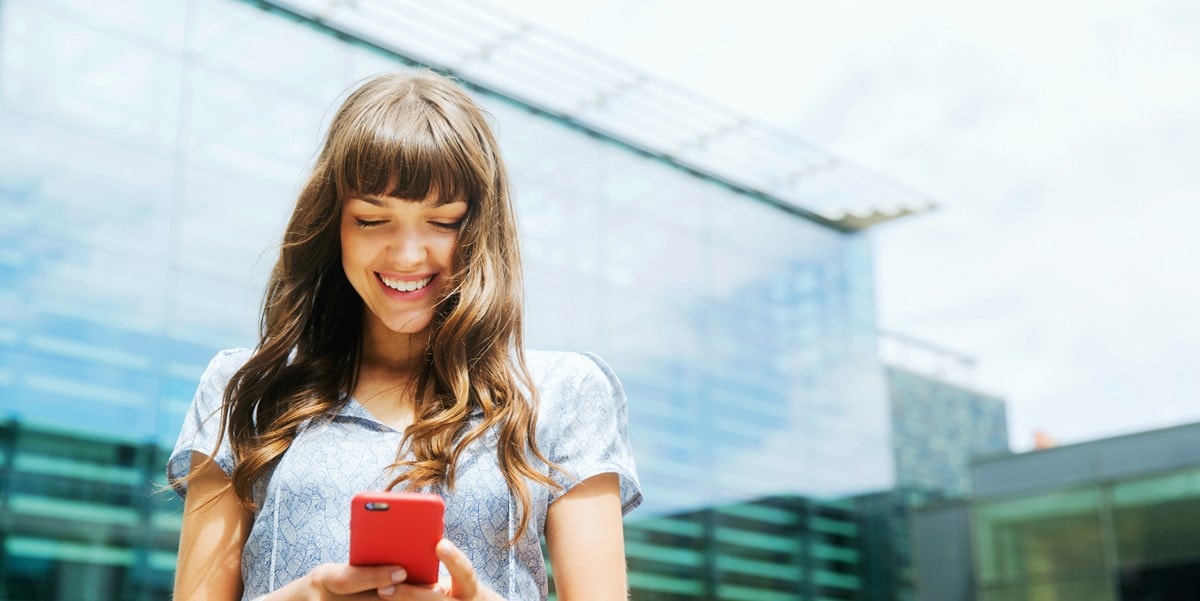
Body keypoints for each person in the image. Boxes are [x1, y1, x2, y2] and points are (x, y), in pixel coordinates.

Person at [167, 71, 641, 601]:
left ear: (481, 229)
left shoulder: (561, 393)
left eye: (443, 222)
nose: (408, 255)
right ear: (333, 224)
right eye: (372, 220)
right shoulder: (246, 387)